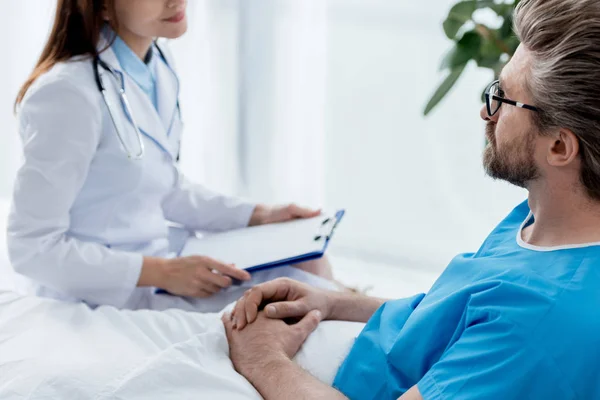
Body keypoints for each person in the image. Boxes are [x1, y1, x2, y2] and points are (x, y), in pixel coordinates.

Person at [221, 0, 600, 398]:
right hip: (351, 351)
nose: (486, 114)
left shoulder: (541, 321)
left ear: (559, 147)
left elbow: (510, 325)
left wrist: (259, 358)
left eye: (503, 98)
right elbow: (457, 315)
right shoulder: (551, 214)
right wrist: (335, 302)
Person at [6, 0, 335, 312]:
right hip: (102, 291)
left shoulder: (157, 66)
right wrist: (161, 272)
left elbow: (165, 188)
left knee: (307, 261)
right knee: (304, 296)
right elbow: (31, 248)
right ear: (102, 5)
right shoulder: (67, 93)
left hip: (164, 262)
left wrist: (259, 214)